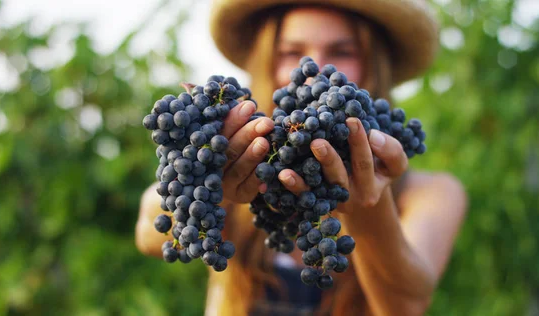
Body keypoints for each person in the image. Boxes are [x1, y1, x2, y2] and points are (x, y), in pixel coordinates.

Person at [136, 0, 467, 315]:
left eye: (342, 51)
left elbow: (405, 308)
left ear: (374, 64)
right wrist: (218, 186)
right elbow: (150, 232)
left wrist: (369, 207)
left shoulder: (430, 193)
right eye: (291, 52)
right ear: (266, 60)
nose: (314, 70)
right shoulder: (249, 156)